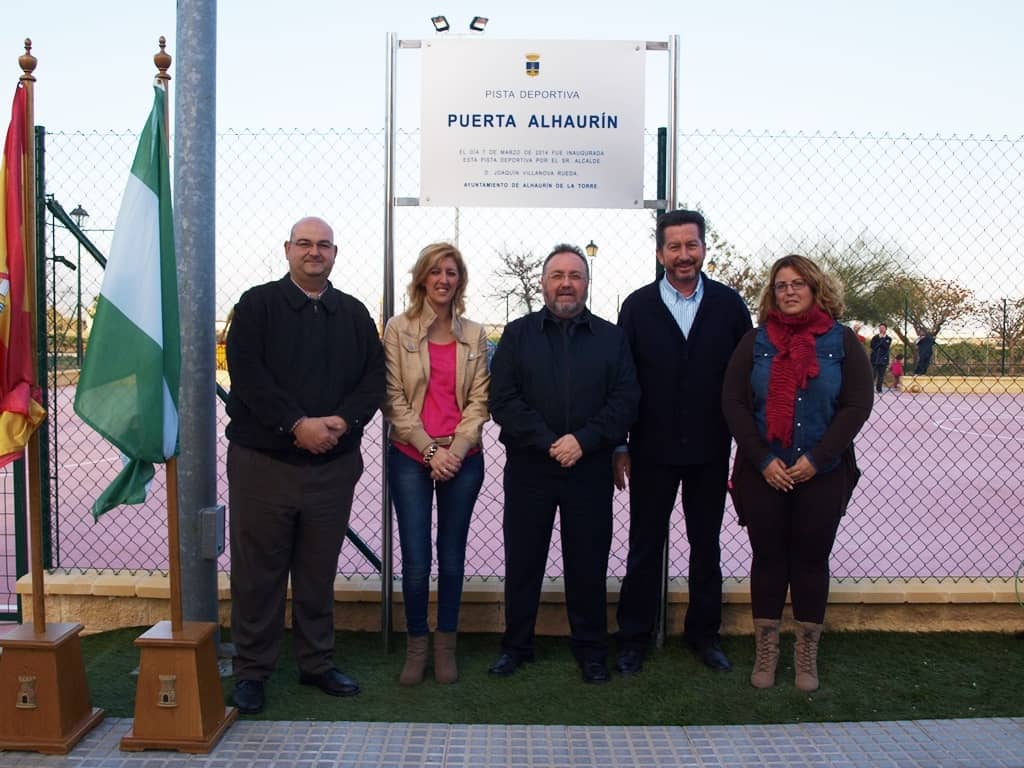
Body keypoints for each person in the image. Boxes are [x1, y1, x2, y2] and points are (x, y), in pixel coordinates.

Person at [225, 216, 386, 714]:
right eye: (304, 244)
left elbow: (374, 379)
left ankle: (317, 663)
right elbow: (247, 374)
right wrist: (296, 424)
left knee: (318, 572)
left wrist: (342, 420)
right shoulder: (257, 306)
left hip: (332, 468)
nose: (313, 252)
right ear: (287, 250)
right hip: (262, 464)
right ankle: (252, 671)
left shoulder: (354, 314)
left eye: (323, 245)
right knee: (258, 573)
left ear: (335, 254)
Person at [487, 244, 640, 684]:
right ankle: (516, 645)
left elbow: (625, 399)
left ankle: (591, 649)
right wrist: (551, 441)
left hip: (589, 469)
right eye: (557, 275)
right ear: (543, 283)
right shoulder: (517, 336)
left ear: (587, 283)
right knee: (524, 560)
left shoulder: (612, 338)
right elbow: (504, 401)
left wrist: (584, 441)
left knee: (588, 562)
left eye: (575, 275)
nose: (566, 283)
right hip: (531, 468)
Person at [721, 254, 873, 692]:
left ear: (815, 288)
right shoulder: (755, 342)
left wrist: (817, 458)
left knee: (810, 560)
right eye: (781, 284)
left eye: (798, 283)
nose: (789, 291)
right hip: (763, 470)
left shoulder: (842, 342)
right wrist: (764, 459)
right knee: (768, 558)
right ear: (773, 292)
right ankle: (766, 648)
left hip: (821, 472)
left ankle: (806, 652)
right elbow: (732, 402)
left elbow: (856, 406)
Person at [614, 209, 752, 675]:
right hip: (650, 450)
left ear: (704, 250)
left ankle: (704, 635)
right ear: (660, 253)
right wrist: (620, 443)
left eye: (691, 245)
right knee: (645, 546)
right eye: (673, 247)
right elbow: (624, 381)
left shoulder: (731, 307)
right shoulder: (636, 307)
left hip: (711, 450)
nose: (683, 255)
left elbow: (742, 380)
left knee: (705, 545)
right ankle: (633, 636)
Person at [383, 243, 490, 686]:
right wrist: (430, 451)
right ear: (422, 278)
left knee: (451, 558)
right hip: (411, 456)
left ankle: (446, 646)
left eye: (452, 272)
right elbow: (394, 399)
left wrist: (456, 451)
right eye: (435, 272)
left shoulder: (475, 333)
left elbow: (480, 401)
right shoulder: (398, 328)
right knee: (415, 561)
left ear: (459, 280)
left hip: (463, 460)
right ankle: (416, 646)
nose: (444, 279)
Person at [869, 323, 892, 393]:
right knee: (873, 374)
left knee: (881, 375)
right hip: (874, 359)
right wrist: (881, 341)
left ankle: (879, 389)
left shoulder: (888, 338)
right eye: (880, 328)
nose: (881, 329)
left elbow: (885, 347)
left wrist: (881, 340)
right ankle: (870, 388)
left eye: (883, 328)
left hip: (883, 359)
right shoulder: (875, 337)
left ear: (886, 329)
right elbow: (873, 346)